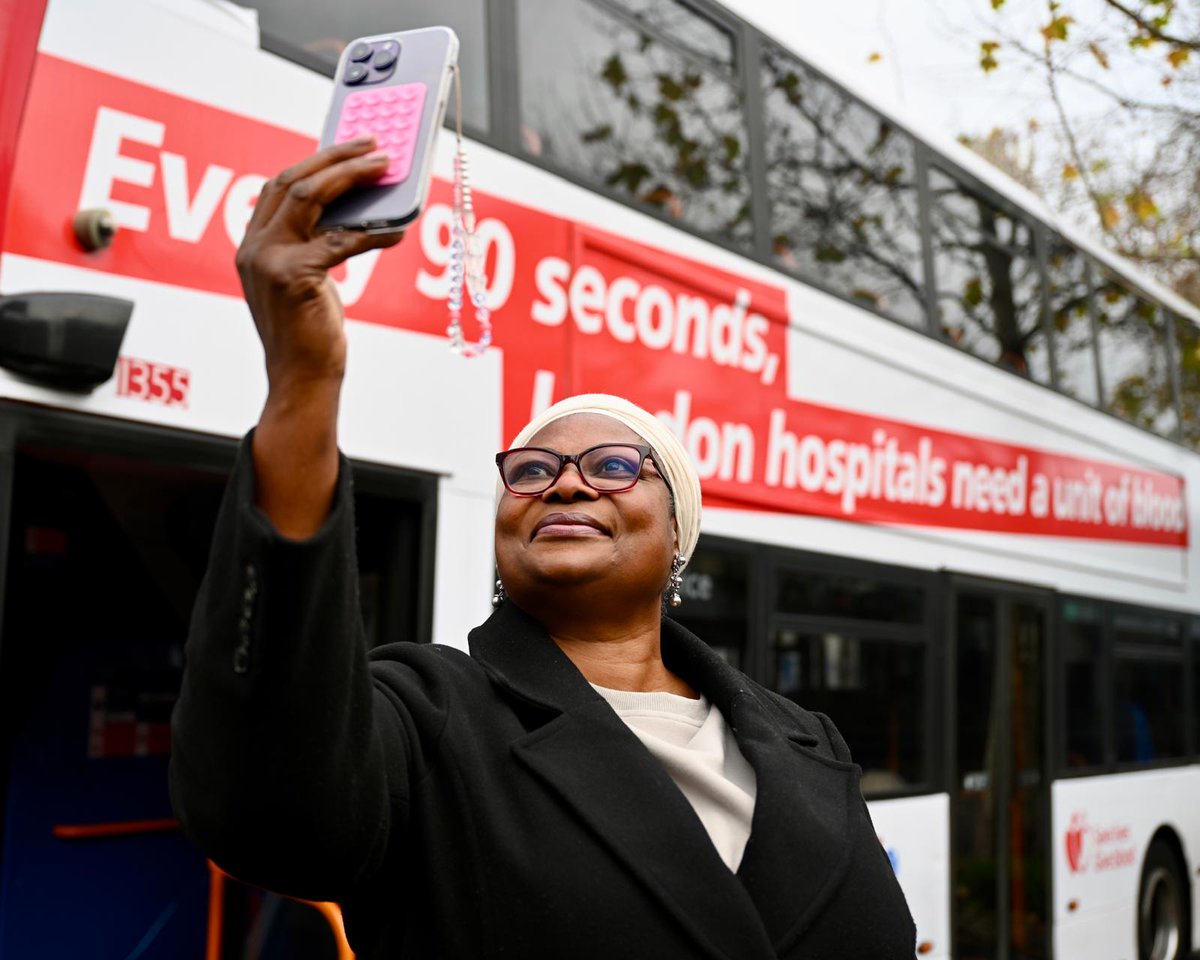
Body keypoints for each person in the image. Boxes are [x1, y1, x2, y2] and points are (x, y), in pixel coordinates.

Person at [169, 138, 917, 959]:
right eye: (531, 470)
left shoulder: (809, 739)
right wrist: (304, 381)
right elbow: (269, 810)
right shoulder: (427, 715)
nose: (564, 485)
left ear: (678, 535)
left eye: (613, 466)